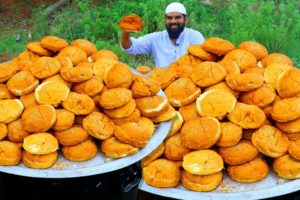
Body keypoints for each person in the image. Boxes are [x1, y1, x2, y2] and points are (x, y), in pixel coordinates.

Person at [120, 2, 205, 67]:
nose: (173, 21)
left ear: (185, 19)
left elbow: (205, 60)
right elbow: (129, 47)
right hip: (162, 85)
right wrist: (125, 31)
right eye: (169, 18)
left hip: (189, 85)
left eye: (178, 17)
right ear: (165, 20)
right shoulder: (155, 39)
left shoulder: (195, 37)